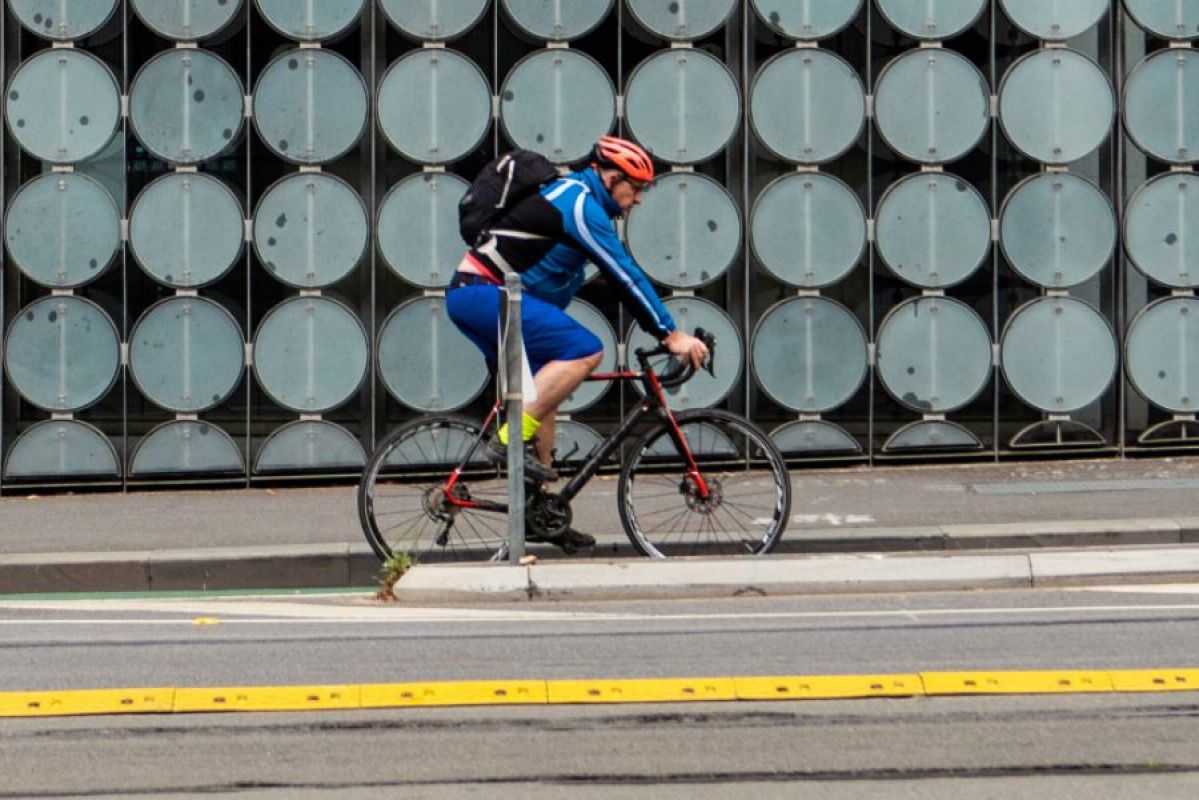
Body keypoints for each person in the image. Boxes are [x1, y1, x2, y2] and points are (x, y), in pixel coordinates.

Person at [446, 136, 709, 549]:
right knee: (585, 350)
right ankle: (509, 440)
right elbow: (623, 272)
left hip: (487, 297)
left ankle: (541, 513)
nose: (637, 200)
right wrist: (669, 333)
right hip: (482, 293)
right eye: (635, 188)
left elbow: (595, 279)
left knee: (547, 392)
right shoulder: (579, 202)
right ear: (610, 176)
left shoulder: (579, 203)